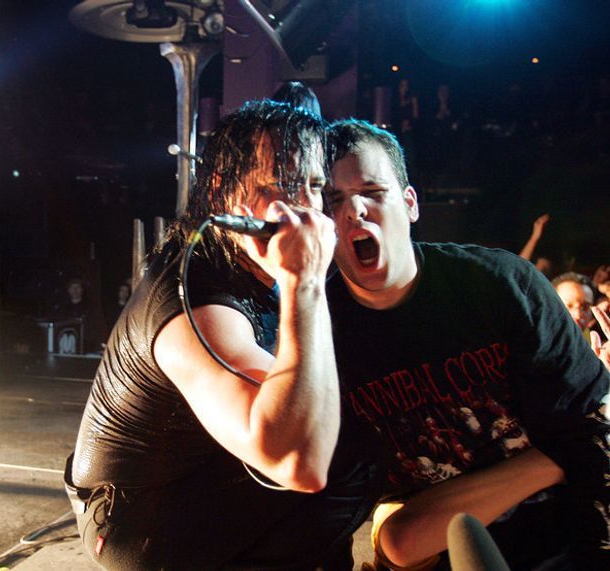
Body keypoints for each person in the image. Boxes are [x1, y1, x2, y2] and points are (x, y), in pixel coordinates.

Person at [65, 101, 379, 569]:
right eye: (282, 185)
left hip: (194, 484)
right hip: (138, 525)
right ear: (223, 192)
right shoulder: (197, 303)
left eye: (315, 187)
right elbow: (298, 462)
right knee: (349, 453)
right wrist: (305, 282)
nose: (308, 207)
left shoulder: (257, 267)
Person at [325, 119, 610, 568]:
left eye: (373, 191)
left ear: (410, 203)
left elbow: (591, 438)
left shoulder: (499, 284)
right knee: (399, 538)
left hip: (563, 532)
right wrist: (551, 458)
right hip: (437, 546)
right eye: (333, 199)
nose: (354, 210)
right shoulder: (318, 329)